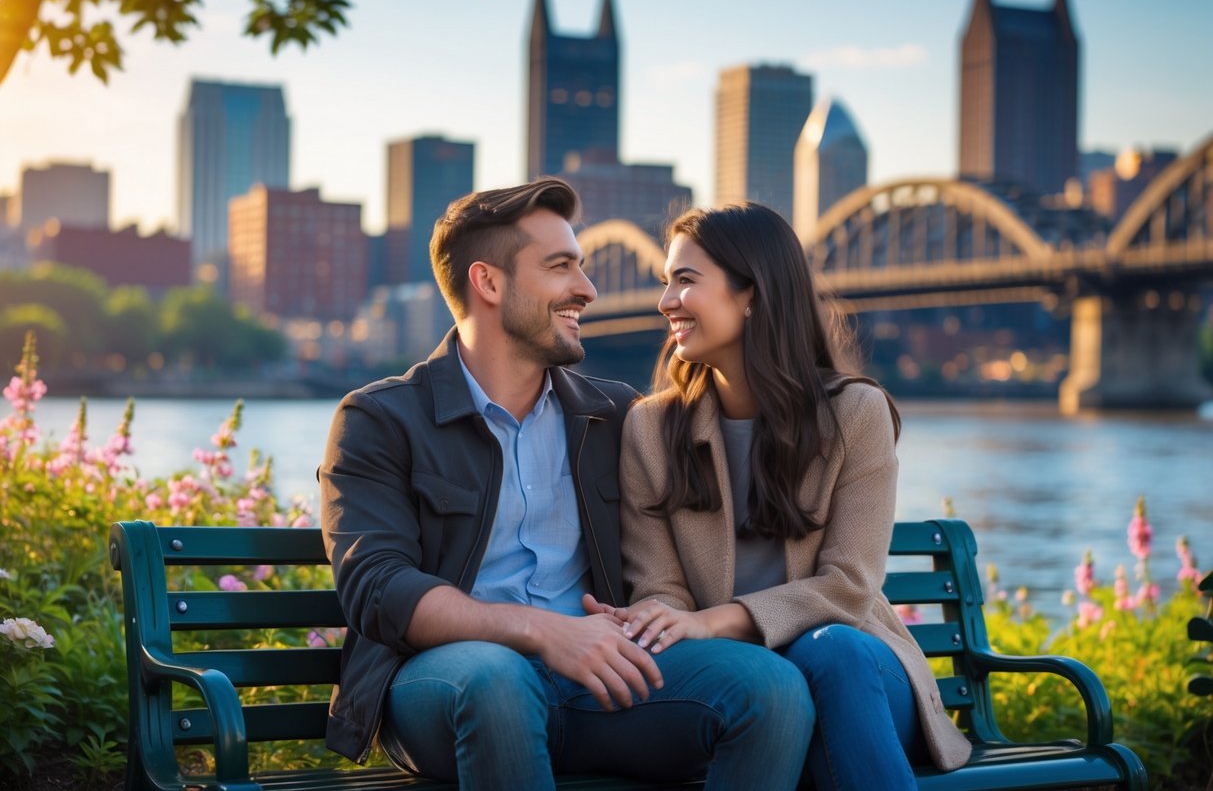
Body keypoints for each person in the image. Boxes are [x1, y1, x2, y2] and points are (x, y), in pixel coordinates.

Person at [318, 178, 812, 791]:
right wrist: (545, 632)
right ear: (489, 283)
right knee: (498, 681)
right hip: (442, 684)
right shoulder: (381, 419)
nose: (588, 288)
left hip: (600, 681)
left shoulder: (618, 416)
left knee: (772, 688)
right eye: (561, 267)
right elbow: (378, 587)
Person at [609, 203, 973, 790]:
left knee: (830, 653)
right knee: (777, 703)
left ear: (751, 293)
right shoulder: (650, 429)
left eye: (685, 280)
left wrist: (714, 623)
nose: (665, 302)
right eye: (665, 282)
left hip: (861, 675)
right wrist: (690, 628)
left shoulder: (855, 412)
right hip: (741, 688)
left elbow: (848, 587)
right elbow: (661, 587)